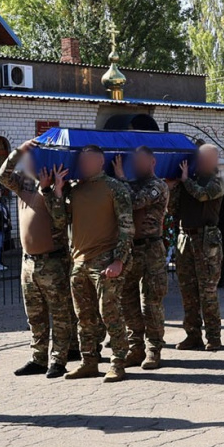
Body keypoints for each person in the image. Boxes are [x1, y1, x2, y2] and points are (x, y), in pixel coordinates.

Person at [46, 146, 135, 382]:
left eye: (88, 162)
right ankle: (89, 362)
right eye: (81, 162)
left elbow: (127, 227)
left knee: (110, 313)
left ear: (99, 162)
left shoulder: (115, 188)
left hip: (106, 260)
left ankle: (118, 362)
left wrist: (119, 261)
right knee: (83, 316)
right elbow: (59, 221)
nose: (83, 166)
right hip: (79, 261)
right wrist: (56, 190)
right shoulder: (74, 190)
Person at [0, 141, 74, 378]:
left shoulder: (64, 186)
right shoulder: (24, 185)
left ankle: (59, 359)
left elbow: (61, 221)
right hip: (28, 262)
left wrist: (50, 189)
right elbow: (2, 175)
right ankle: (38, 358)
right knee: (35, 315)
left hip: (53, 261)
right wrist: (18, 151)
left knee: (60, 313)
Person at [114, 147, 170, 370]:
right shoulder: (131, 183)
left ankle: (153, 350)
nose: (137, 165)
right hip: (130, 250)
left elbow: (135, 201)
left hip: (151, 250)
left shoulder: (158, 186)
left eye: (141, 161)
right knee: (128, 302)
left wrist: (120, 178)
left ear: (153, 162)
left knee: (151, 303)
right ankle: (135, 349)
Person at [170, 144, 224, 352]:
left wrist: (185, 181)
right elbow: (172, 208)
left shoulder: (217, 181)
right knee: (187, 291)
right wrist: (175, 185)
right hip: (185, 238)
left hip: (206, 240)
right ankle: (192, 336)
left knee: (207, 291)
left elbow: (202, 195)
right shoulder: (188, 180)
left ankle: (214, 336)